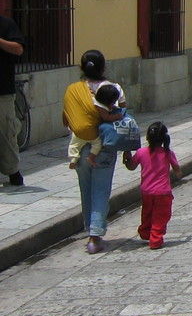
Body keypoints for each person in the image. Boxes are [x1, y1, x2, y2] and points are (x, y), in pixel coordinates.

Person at [62, 50, 128, 253]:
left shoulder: (73, 90)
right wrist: (128, 150)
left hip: (81, 146)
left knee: (86, 188)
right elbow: (123, 118)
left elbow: (66, 119)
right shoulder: (114, 89)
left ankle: (89, 229)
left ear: (82, 69)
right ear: (104, 68)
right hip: (106, 147)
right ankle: (95, 236)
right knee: (101, 189)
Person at [124, 121, 182, 249]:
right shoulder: (167, 153)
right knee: (161, 216)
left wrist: (126, 157)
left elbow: (131, 166)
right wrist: (178, 174)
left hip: (146, 192)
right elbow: (177, 170)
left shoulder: (141, 152)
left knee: (147, 213)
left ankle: (145, 232)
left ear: (148, 138)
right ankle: (155, 240)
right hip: (163, 192)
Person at [67, 83, 122, 170]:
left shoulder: (91, 100)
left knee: (74, 144)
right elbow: (106, 118)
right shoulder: (101, 107)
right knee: (97, 144)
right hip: (92, 133)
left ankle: (73, 159)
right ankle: (91, 157)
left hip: (80, 131)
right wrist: (118, 116)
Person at [0, 15, 25, 187]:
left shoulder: (6, 24)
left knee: (7, 132)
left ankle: (12, 170)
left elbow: (18, 49)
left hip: (2, 90)